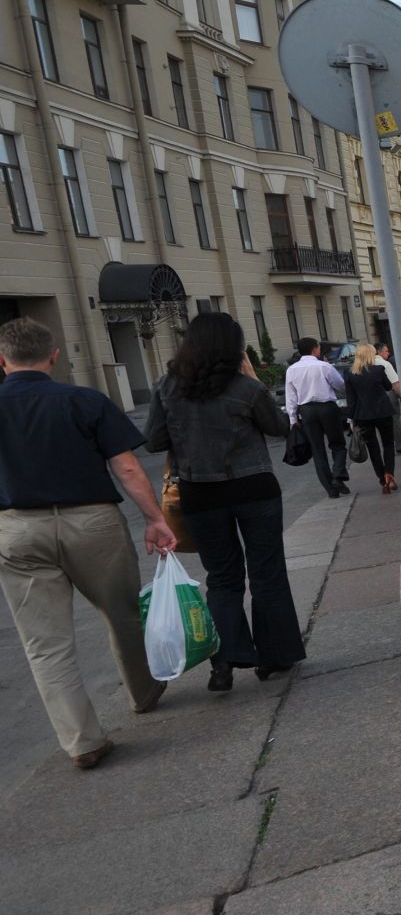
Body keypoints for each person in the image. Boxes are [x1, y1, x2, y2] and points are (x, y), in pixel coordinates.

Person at [0, 317, 173, 768]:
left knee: (45, 644)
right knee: (122, 614)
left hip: (18, 528)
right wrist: (154, 519)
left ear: (2, 361)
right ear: (53, 357)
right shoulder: (84, 399)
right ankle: (144, 692)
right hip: (92, 521)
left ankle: (83, 741)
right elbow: (129, 468)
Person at [145, 313, 304, 692]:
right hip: (255, 490)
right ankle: (275, 656)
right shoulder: (244, 388)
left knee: (222, 578)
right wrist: (252, 380)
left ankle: (227, 659)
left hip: (201, 494)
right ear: (234, 348)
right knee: (267, 573)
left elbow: (152, 441)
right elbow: (280, 427)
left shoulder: (167, 387)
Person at [285, 337, 349, 497]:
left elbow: (290, 396)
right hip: (327, 407)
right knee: (338, 444)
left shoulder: (292, 369)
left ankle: (331, 489)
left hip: (306, 410)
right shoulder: (324, 366)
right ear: (315, 349)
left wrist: (293, 419)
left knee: (317, 450)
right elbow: (340, 385)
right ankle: (338, 474)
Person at [344, 344, 398, 494]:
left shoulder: (350, 374)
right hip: (383, 412)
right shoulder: (378, 370)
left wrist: (351, 420)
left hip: (363, 416)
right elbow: (388, 387)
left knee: (373, 448)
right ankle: (389, 473)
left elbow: (351, 400)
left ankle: (382, 480)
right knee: (388, 444)